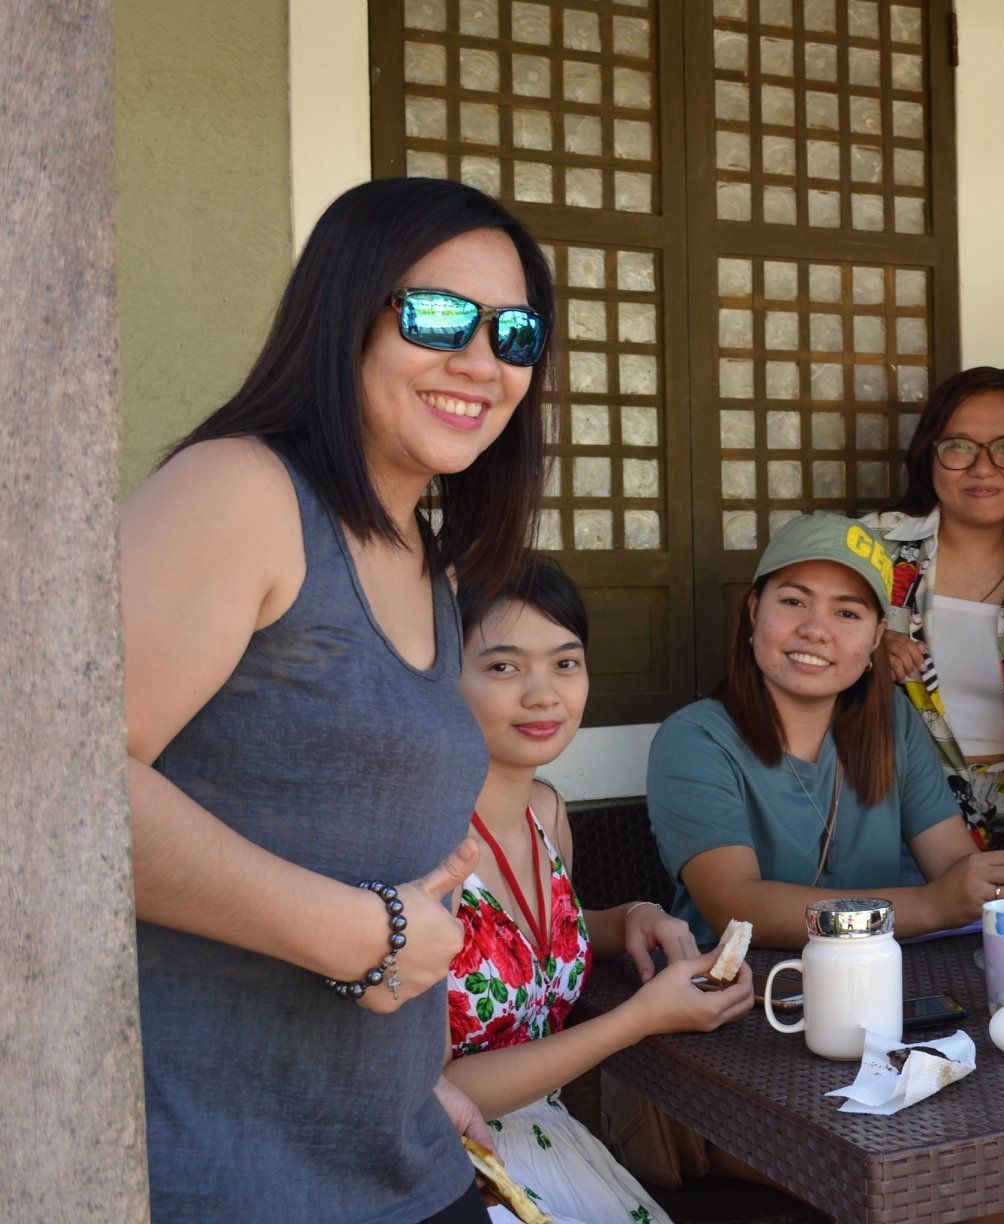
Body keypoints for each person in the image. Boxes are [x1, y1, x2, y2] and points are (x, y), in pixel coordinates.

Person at [123, 178, 555, 1222]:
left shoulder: (431, 566)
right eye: (437, 314)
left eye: (515, 333)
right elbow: (51, 787)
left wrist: (422, 1075)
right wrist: (358, 935)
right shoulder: (241, 491)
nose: (479, 360)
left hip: (402, 1150)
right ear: (344, 315)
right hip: (226, 1175)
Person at [442, 557, 754, 1224]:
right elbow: (436, 1087)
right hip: (456, 1168)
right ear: (442, 676)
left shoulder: (547, 814)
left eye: (565, 662)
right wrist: (639, 1018)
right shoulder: (423, 843)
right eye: (503, 666)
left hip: (556, 1151)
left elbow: (528, 941)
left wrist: (626, 918)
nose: (543, 694)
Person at [646, 513, 1004, 950]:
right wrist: (931, 906)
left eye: (847, 612)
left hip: (881, 980)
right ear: (755, 610)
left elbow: (952, 865)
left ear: (876, 638)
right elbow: (736, 907)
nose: (816, 630)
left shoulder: (893, 720)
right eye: (794, 602)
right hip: (744, 991)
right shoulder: (695, 739)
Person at [864, 366, 1004, 851]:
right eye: (958, 445)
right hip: (890, 829)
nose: (983, 467)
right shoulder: (869, 548)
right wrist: (868, 647)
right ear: (928, 454)